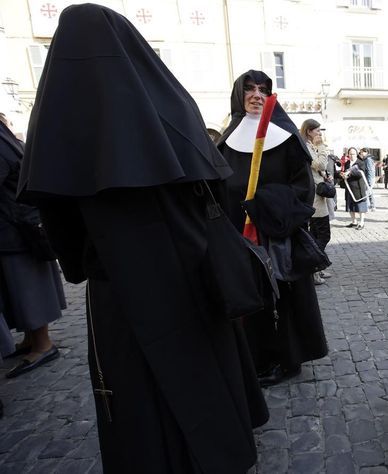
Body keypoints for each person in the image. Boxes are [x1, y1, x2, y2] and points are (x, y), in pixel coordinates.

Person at [18, 5, 268, 472]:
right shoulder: (173, 103)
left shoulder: (55, 119)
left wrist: (82, 264)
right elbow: (214, 185)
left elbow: (58, 220)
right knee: (204, 368)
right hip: (193, 270)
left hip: (120, 286)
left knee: (137, 391)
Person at [216, 70, 328, 386]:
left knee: (281, 299)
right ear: (239, 95)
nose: (256, 94)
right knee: (251, 298)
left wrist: (264, 205)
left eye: (263, 89)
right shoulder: (227, 142)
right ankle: (256, 356)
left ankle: (286, 359)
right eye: (249, 89)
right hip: (241, 236)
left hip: (276, 234)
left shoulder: (286, 138)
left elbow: (303, 188)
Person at [0, 116, 65, 379]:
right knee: (20, 289)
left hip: (17, 229)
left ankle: (42, 344)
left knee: (27, 289)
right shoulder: (6, 137)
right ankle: (31, 340)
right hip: (19, 225)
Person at [300, 118, 333, 285]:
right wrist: (321, 147)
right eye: (317, 130)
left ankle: (317, 267)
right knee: (323, 234)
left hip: (318, 196)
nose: (320, 134)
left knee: (315, 235)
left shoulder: (310, 146)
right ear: (309, 131)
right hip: (314, 199)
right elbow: (319, 164)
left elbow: (320, 169)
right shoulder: (306, 147)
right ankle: (314, 268)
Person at [341, 147, 370, 229]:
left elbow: (361, 174)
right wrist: (343, 175)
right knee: (350, 205)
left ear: (356, 154)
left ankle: (361, 222)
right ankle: (354, 221)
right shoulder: (347, 163)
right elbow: (344, 171)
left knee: (360, 206)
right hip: (349, 187)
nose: (351, 155)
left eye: (353, 154)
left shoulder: (360, 163)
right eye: (350, 154)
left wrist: (349, 174)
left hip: (358, 187)